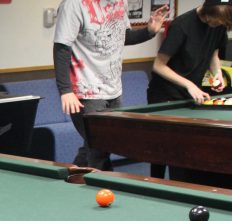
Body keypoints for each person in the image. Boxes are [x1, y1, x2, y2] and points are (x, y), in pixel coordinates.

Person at [53, 0, 170, 171]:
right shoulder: (74, 5)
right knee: (100, 148)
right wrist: (65, 90)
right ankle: (105, 189)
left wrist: (149, 31)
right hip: (86, 91)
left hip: (113, 89)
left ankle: (71, 180)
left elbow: (122, 36)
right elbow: (62, 47)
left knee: (96, 144)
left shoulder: (119, 2)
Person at [147, 0, 232, 183]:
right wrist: (190, 85)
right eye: (216, 20)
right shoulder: (182, 25)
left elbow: (213, 54)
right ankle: (156, 183)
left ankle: (184, 185)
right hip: (164, 95)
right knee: (162, 149)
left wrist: (216, 74)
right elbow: (158, 66)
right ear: (207, 11)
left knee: (183, 148)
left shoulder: (218, 24)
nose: (217, 25)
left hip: (189, 94)